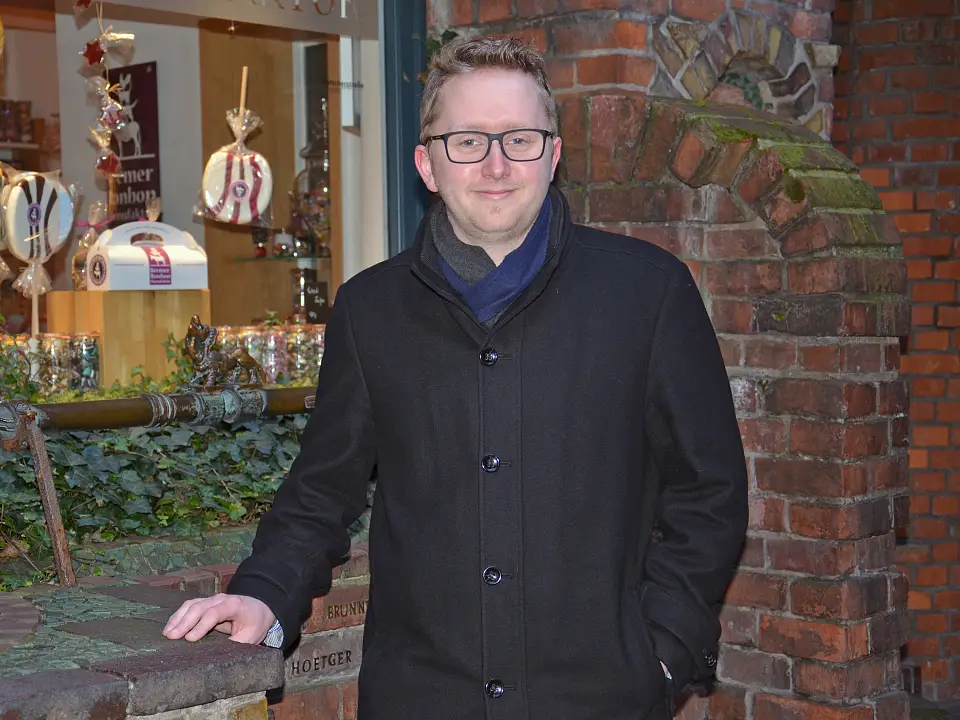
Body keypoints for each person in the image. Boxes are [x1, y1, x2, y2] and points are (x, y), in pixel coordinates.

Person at [164, 36, 748, 720]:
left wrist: (661, 655)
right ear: (427, 164)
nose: (496, 164)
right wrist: (262, 594)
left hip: (600, 699)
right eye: (467, 141)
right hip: (420, 697)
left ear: (553, 155)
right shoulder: (369, 311)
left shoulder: (649, 295)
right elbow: (322, 491)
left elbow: (710, 491)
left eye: (521, 139)